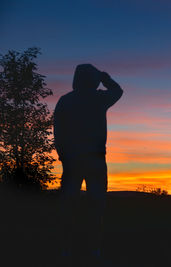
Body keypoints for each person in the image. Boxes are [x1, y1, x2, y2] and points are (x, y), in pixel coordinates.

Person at [54, 64, 123, 266]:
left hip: (72, 160)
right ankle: (94, 250)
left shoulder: (66, 101)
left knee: (68, 205)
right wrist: (106, 77)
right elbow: (118, 91)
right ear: (93, 79)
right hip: (95, 160)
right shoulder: (99, 99)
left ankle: (66, 249)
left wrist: (63, 155)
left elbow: (58, 130)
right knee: (96, 206)